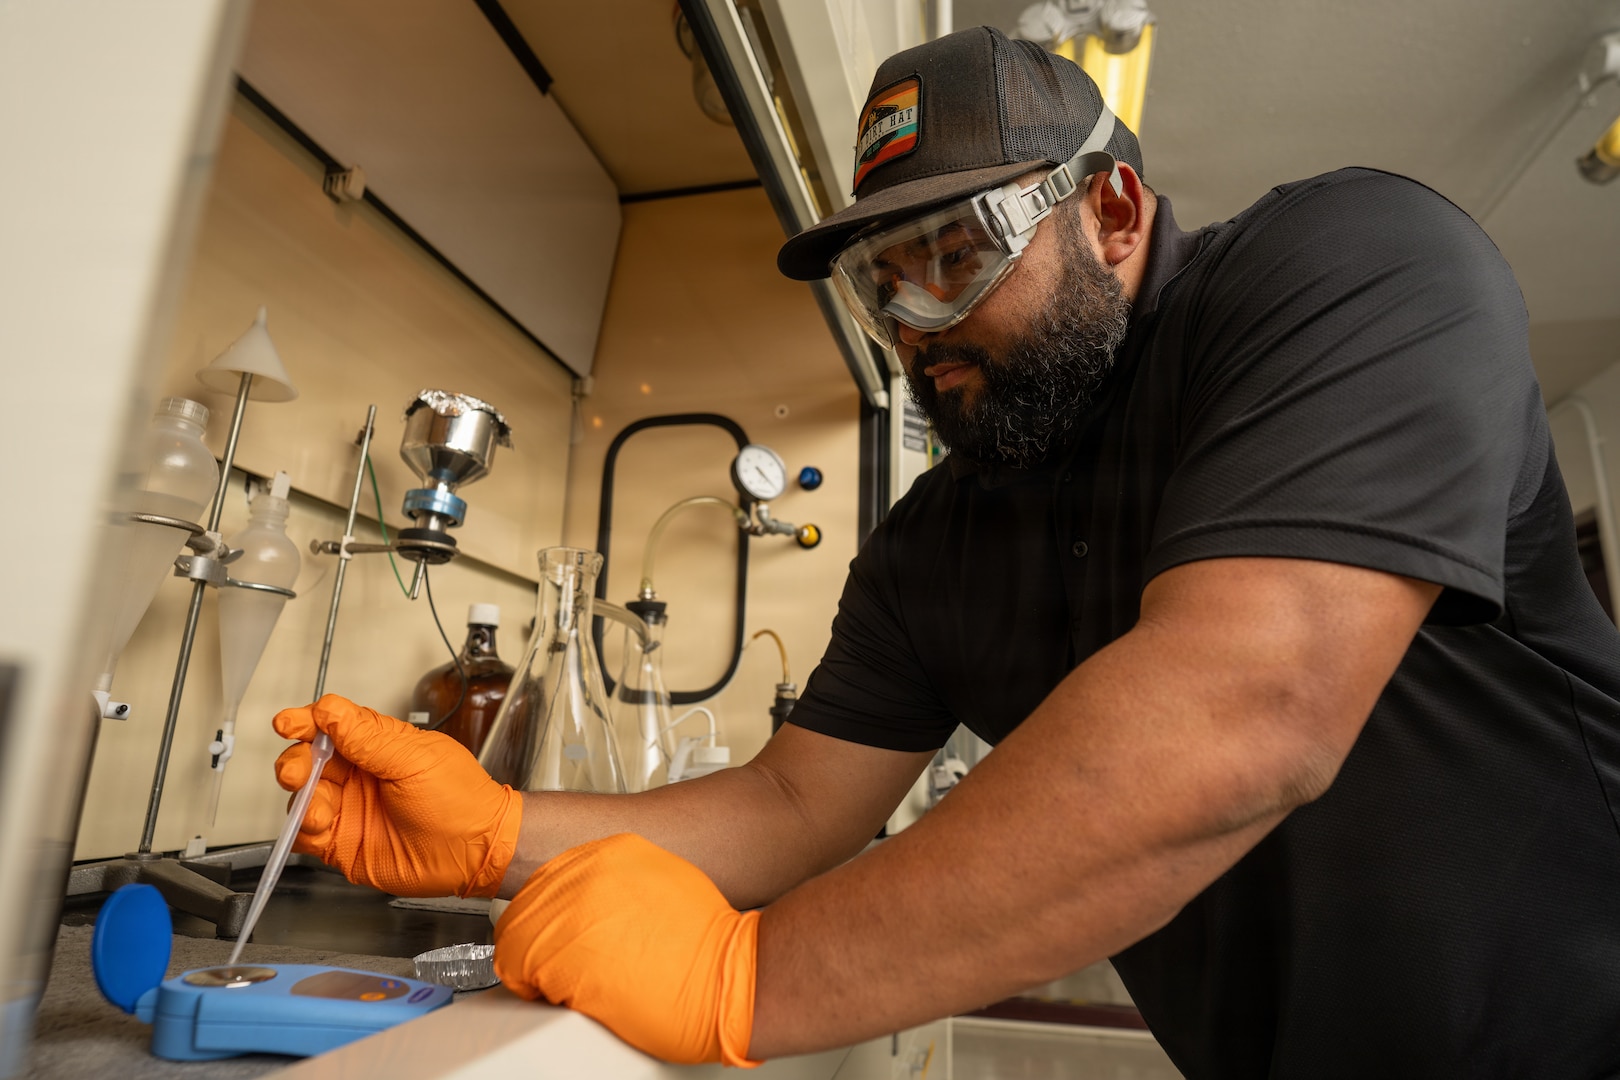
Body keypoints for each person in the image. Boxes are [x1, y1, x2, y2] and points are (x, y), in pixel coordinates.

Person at [272, 26, 1620, 1078]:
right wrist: (503, 834)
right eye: (884, 282)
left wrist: (750, 976)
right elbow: (793, 810)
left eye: (955, 254)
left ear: (1114, 212)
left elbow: (1248, 714)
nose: (917, 326)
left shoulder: (1353, 270)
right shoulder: (936, 549)